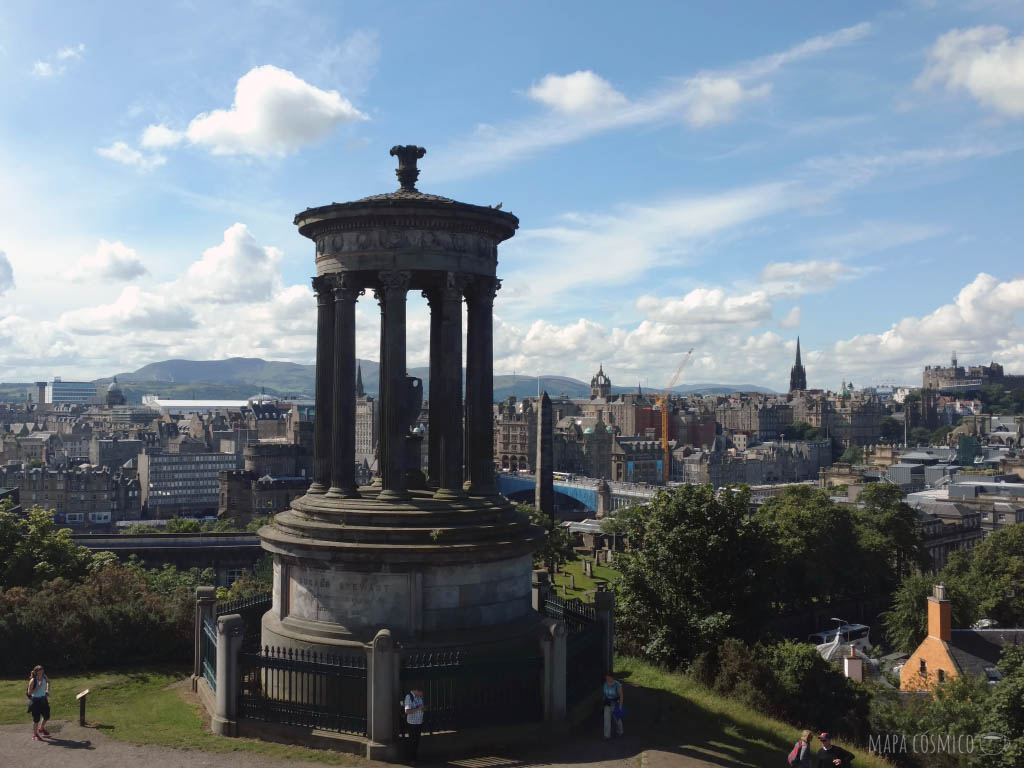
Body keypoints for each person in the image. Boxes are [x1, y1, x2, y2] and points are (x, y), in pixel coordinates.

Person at [26, 665, 50, 741]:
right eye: (39, 670)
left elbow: (48, 682)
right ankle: (35, 734)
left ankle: (41, 729)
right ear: (36, 672)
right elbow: (29, 693)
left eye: (42, 670)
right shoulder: (33, 680)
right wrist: (38, 688)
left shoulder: (44, 677)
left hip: (43, 699)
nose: (41, 672)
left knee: (46, 716)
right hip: (35, 701)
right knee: (36, 719)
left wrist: (47, 690)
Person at [403, 686, 425, 764]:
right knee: (412, 741)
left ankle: (414, 758)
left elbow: (421, 707)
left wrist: (422, 708)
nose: (422, 694)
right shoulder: (409, 697)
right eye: (421, 692)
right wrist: (419, 708)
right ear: (417, 690)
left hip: (419, 722)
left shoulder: (419, 697)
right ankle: (411, 759)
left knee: (416, 741)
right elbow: (407, 711)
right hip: (412, 723)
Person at [602, 672, 624, 739]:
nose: (607, 679)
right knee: (606, 719)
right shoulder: (605, 684)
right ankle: (607, 735)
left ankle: (620, 731)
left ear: (612, 677)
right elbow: (604, 694)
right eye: (606, 678)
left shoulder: (617, 685)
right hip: (607, 704)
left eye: (608, 678)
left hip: (615, 704)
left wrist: (620, 705)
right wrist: (603, 702)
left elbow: (621, 696)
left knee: (617, 719)